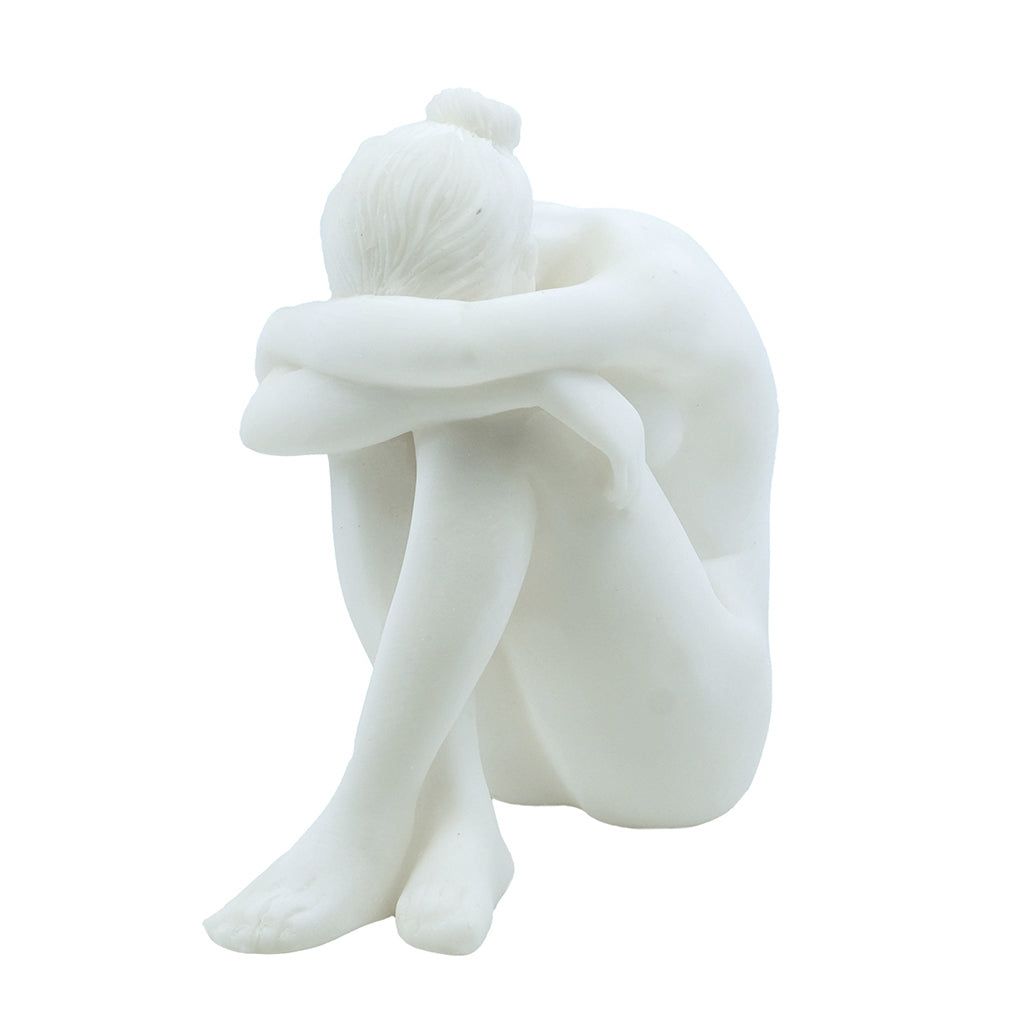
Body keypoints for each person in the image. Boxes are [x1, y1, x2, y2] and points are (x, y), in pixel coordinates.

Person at [205, 90, 777, 956]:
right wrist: (543, 378)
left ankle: (367, 813)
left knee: (496, 424)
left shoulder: (656, 283)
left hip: (685, 731)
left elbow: (463, 351)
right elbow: (271, 423)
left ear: (523, 261)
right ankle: (454, 817)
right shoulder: (434, 238)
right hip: (498, 734)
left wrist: (300, 334)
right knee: (411, 414)